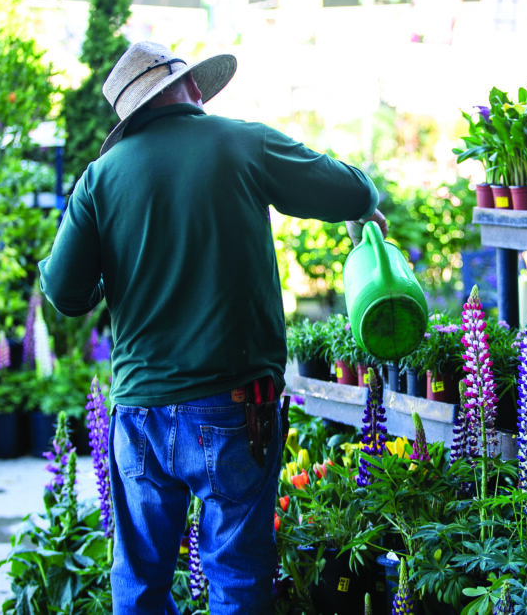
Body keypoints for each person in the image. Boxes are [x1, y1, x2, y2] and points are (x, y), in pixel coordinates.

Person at [37, 41, 386, 614]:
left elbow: (64, 294)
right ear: (192, 88)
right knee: (236, 575)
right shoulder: (242, 142)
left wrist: (114, 278)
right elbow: (351, 190)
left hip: (140, 410)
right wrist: (364, 202)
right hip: (235, 405)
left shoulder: (98, 179)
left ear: (132, 114)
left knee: (140, 580)